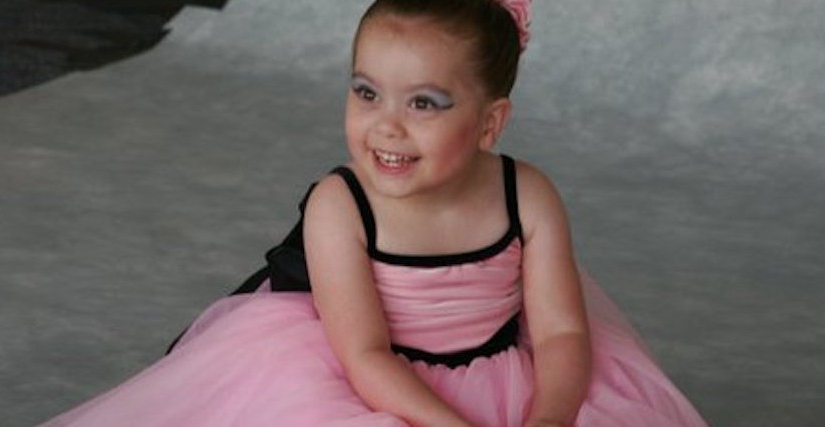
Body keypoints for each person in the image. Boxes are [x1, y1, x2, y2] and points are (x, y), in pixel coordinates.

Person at [40, 0, 706, 426]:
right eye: (367, 92)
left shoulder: (526, 195)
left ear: (489, 122)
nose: (385, 128)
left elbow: (561, 333)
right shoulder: (343, 204)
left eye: (423, 104)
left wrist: (546, 422)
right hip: (379, 384)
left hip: (513, 375)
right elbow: (364, 353)